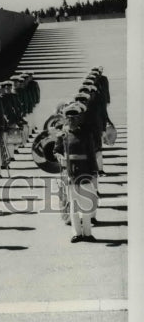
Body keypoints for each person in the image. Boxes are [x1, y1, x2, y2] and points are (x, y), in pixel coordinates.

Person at [53, 102, 99, 242]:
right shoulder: (63, 134)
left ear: (79, 118)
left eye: (74, 117)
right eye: (69, 117)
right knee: (73, 204)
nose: (71, 120)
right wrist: (60, 156)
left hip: (85, 170)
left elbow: (91, 153)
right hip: (70, 172)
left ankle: (87, 233)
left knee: (85, 203)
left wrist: (93, 170)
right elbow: (56, 150)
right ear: (65, 118)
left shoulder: (86, 133)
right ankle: (77, 233)